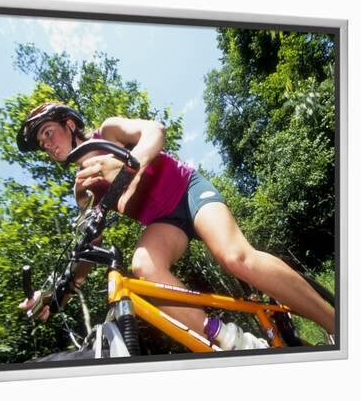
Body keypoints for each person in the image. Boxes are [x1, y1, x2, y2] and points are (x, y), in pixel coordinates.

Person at [17, 102, 335, 348]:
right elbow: (89, 247)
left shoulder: (109, 133)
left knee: (235, 257)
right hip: (164, 223)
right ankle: (229, 339)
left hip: (187, 190)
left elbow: (155, 130)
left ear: (69, 124)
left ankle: (338, 325)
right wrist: (56, 297)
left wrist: (130, 165)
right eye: (41, 142)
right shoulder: (83, 188)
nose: (46, 143)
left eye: (47, 132)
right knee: (142, 264)